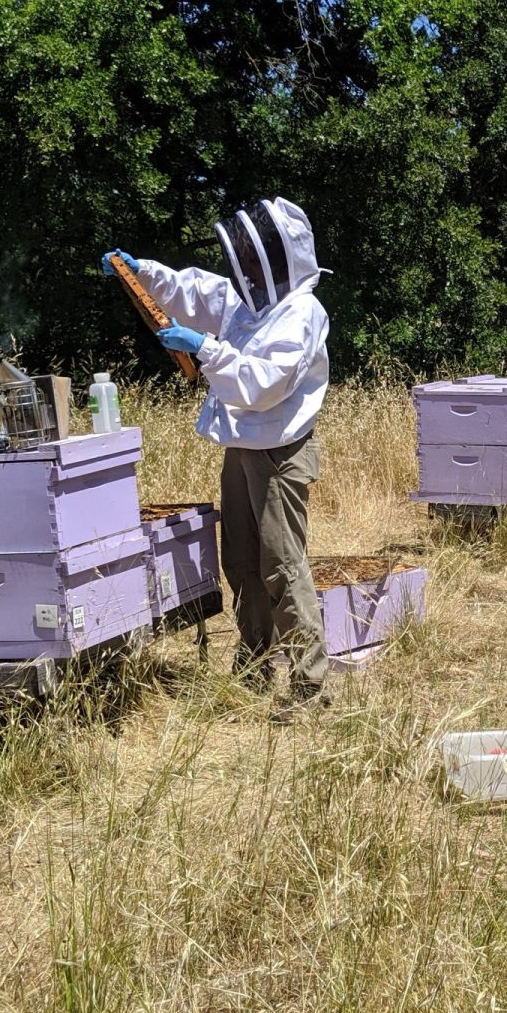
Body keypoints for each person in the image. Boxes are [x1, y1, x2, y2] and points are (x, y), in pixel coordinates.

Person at [102, 199, 330, 714]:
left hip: (279, 453)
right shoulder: (250, 303)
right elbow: (198, 291)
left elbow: (263, 385)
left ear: (281, 257)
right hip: (243, 449)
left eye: (255, 258)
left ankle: (310, 686)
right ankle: (253, 666)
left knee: (281, 566)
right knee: (242, 562)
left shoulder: (301, 312)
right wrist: (143, 272)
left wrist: (205, 349)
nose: (245, 268)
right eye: (243, 257)